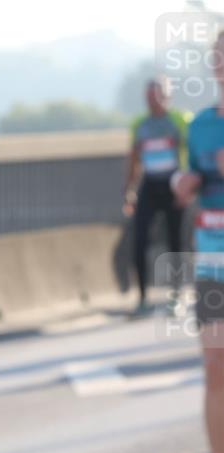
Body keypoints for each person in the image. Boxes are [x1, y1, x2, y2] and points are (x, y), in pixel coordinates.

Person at [172, 34, 224, 453]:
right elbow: (188, 176)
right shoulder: (203, 125)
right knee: (215, 370)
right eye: (218, 59)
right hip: (213, 263)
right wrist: (181, 183)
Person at [123, 76, 190, 317]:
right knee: (139, 239)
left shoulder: (180, 121)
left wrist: (188, 187)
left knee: (174, 242)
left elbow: (192, 154)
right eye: (149, 98)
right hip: (150, 185)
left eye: (158, 96)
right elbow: (133, 159)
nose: (153, 102)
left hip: (174, 184)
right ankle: (142, 298)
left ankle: (176, 295)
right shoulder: (139, 124)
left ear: (168, 96)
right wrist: (129, 190)